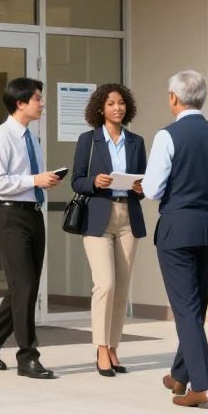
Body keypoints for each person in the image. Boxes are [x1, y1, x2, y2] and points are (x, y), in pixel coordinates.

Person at [142, 70, 208, 409]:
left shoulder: (168, 136)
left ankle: (204, 386)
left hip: (177, 229)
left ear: (173, 98)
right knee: (195, 309)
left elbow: (153, 189)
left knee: (185, 310)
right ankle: (180, 374)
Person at [0, 77, 62, 379]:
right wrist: (33, 181)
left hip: (33, 214)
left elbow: (29, 178)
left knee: (25, 287)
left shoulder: (31, 138)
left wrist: (45, 179)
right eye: (37, 98)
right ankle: (28, 357)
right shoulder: (0, 139)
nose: (42, 103)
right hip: (10, 217)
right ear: (20, 103)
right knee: (23, 286)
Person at [71, 84, 147, 377]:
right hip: (98, 217)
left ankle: (113, 346)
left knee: (122, 288)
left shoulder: (136, 142)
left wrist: (140, 187)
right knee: (105, 284)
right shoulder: (88, 140)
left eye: (122, 103)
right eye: (111, 103)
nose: (118, 108)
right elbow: (77, 181)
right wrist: (95, 182)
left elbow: (144, 183)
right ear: (100, 109)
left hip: (128, 216)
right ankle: (101, 347)